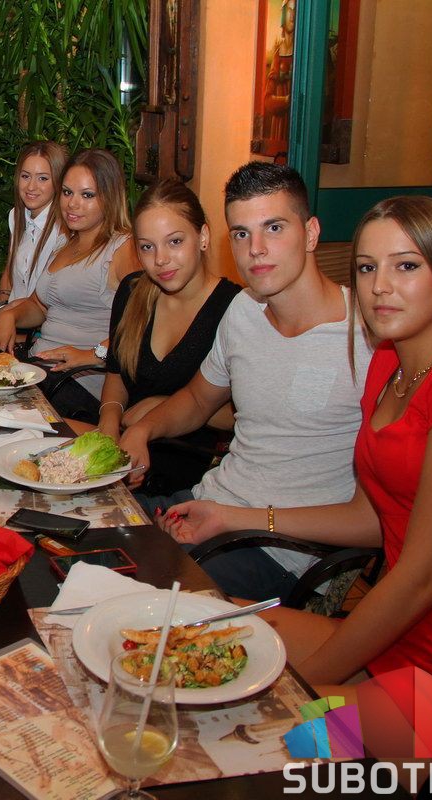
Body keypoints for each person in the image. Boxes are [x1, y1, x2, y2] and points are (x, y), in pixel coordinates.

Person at [162, 195, 432, 732]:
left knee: (246, 726)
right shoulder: (388, 368)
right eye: (367, 268)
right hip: (396, 629)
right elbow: (369, 519)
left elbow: (423, 579)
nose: (380, 286)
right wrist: (234, 517)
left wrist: (298, 690)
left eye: (406, 266)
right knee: (187, 631)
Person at [119, 162, 375, 601]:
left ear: (311, 233)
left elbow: (378, 518)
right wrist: (142, 430)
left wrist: (237, 519)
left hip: (282, 550)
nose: (255, 249)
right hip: (206, 504)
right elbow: (198, 399)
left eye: (273, 227)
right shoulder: (243, 311)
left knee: (128, 598)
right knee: (82, 535)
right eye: (241, 233)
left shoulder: (366, 336)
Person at [76, 180, 241, 491]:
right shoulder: (132, 292)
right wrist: (109, 424)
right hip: (123, 447)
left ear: (203, 237)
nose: (160, 259)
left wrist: (162, 406)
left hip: (190, 466)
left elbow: (243, 414)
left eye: (174, 242)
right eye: (147, 247)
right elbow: (116, 374)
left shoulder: (234, 308)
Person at [0, 148, 138, 419]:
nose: (72, 204)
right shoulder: (66, 244)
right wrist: (10, 314)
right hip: (40, 369)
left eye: (87, 195)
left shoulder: (122, 248)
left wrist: (93, 355)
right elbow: (39, 306)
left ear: (110, 197)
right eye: (67, 192)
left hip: (81, 381)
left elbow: (145, 322)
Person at [0, 142, 68, 306]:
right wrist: (0, 309)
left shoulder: (64, 228)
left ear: (59, 181)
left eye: (42, 178)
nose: (31, 186)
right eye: (25, 176)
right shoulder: (16, 216)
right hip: (12, 315)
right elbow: (9, 270)